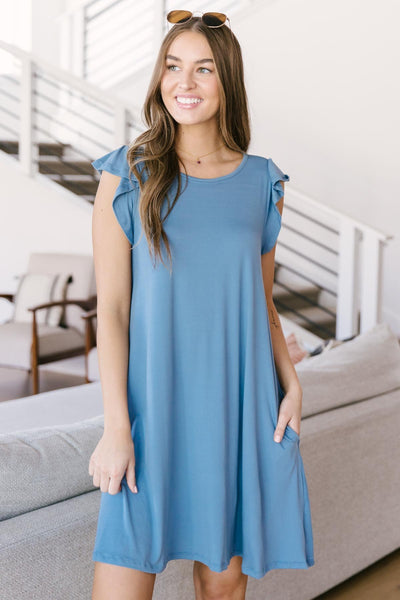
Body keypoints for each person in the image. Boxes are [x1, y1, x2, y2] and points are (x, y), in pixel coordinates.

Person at [88, 10, 314, 600]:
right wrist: (117, 427)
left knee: (222, 586)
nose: (184, 82)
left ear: (227, 80)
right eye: (173, 66)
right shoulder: (127, 175)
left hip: (237, 412)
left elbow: (261, 302)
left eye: (203, 69)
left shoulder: (264, 183)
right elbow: (112, 311)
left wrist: (291, 383)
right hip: (149, 414)